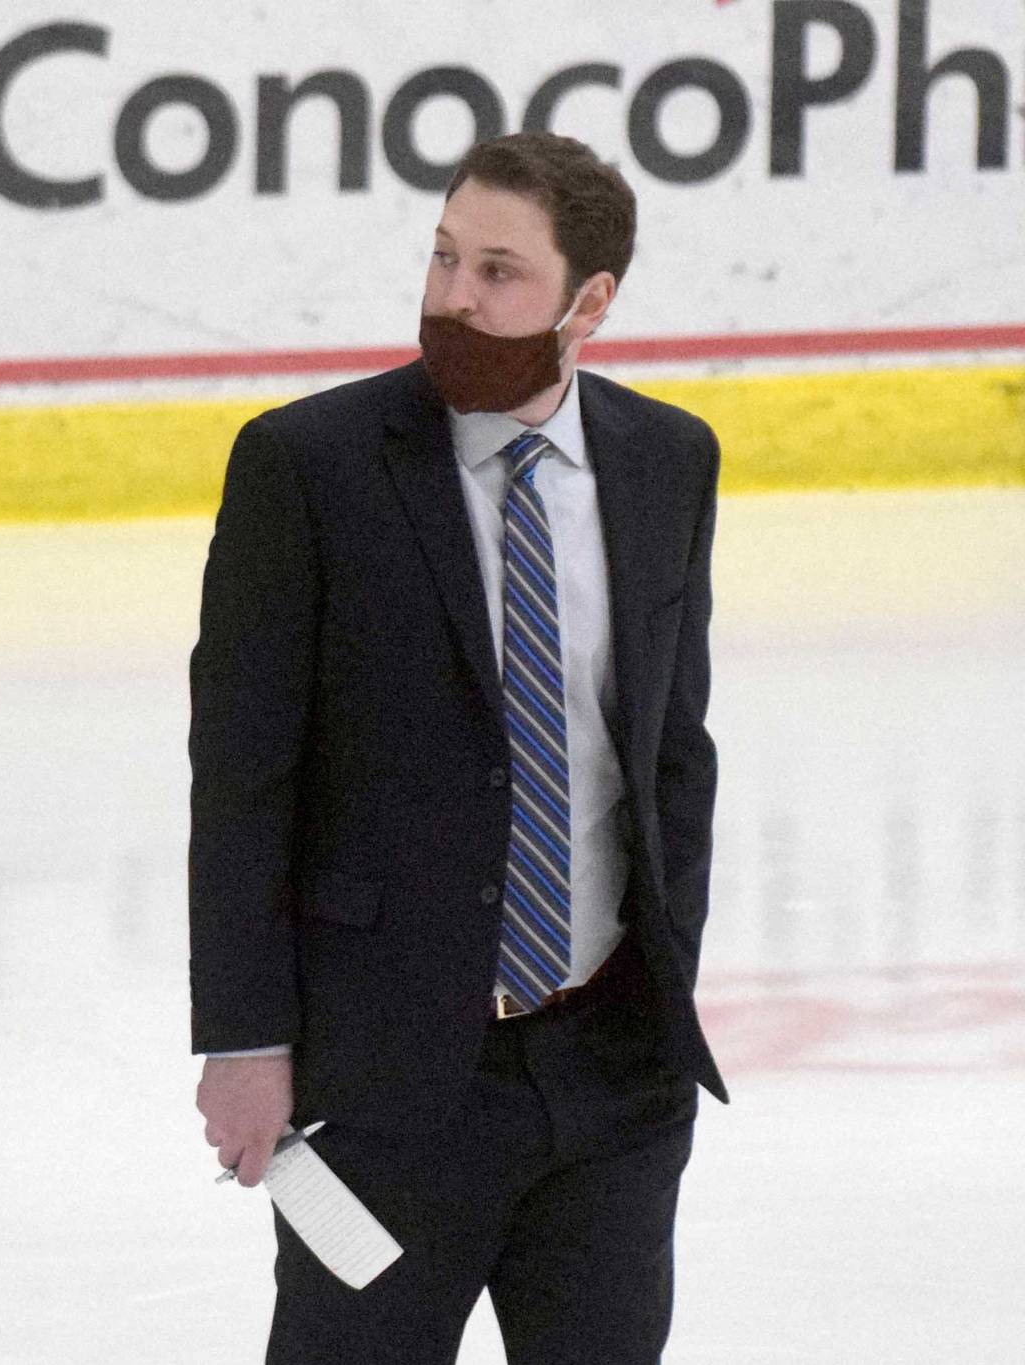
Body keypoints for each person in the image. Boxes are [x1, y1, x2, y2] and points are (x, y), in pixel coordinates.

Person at [188, 131, 726, 1365]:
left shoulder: (664, 461)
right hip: (381, 1085)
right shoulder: (306, 465)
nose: (451, 299)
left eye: (497, 273)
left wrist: (660, 995)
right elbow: (240, 785)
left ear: (587, 303)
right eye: (440, 259)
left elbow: (667, 753)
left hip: (610, 1080)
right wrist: (243, 1043)